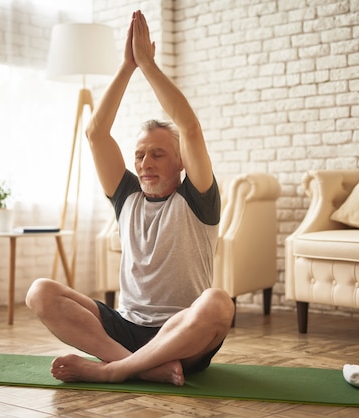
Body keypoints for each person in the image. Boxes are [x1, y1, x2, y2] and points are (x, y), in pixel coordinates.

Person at [25, 10, 235, 386]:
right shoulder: (127, 197)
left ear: (181, 161)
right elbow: (96, 133)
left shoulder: (198, 198)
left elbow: (189, 125)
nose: (145, 162)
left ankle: (114, 370)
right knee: (40, 292)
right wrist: (126, 67)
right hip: (125, 329)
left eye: (157, 153)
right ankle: (141, 366)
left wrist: (149, 65)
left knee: (219, 303)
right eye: (139, 154)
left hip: (182, 333)